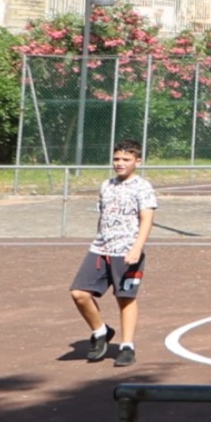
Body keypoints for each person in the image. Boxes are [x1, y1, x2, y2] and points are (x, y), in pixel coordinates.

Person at [71, 139, 155, 368]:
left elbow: (147, 219)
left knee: (125, 297)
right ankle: (101, 331)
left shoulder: (143, 187)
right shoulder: (106, 185)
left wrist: (136, 248)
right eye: (117, 159)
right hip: (100, 249)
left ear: (138, 161)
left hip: (127, 251)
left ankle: (127, 347)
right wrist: (100, 238)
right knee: (79, 293)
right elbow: (104, 216)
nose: (120, 163)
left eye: (126, 159)